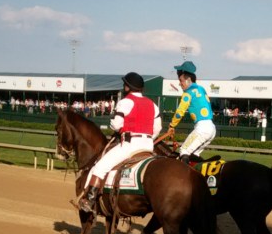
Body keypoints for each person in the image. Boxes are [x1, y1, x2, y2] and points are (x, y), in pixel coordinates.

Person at [79, 72, 161, 213]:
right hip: (148, 145)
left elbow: (117, 125)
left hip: (130, 144)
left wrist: (115, 126)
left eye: (125, 84)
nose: (124, 86)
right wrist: (147, 138)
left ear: (128, 87)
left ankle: (89, 200)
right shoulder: (153, 104)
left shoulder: (125, 102)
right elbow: (157, 128)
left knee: (99, 167)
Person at [167, 60, 216, 164]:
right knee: (193, 155)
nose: (179, 84)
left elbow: (180, 112)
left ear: (188, 80)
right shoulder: (201, 88)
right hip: (211, 128)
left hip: (202, 129)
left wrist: (172, 125)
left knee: (184, 150)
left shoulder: (188, 93)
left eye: (181, 80)